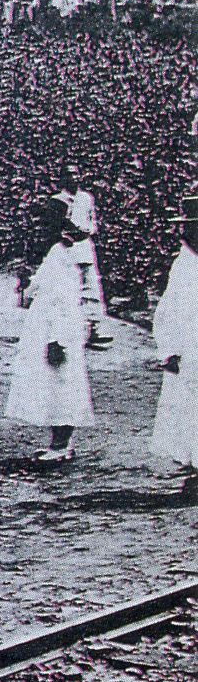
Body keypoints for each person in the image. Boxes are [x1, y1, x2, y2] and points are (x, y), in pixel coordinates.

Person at [4, 202, 94, 464]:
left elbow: (64, 300)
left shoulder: (63, 254)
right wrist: (23, 283)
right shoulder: (53, 254)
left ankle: (62, 445)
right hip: (47, 325)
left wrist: (58, 339)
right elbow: (31, 296)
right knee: (53, 385)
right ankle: (58, 443)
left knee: (62, 383)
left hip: (59, 328)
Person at [150, 195, 198, 498]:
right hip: (190, 348)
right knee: (189, 406)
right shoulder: (184, 265)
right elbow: (167, 312)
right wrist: (168, 349)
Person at [54, 165, 111, 349]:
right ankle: (62, 333)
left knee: (91, 291)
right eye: (68, 175)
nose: (72, 178)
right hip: (67, 250)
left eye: (75, 174)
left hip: (85, 248)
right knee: (66, 292)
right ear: (62, 179)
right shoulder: (58, 200)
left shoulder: (86, 198)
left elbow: (92, 221)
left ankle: (93, 330)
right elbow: (53, 228)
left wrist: (88, 230)